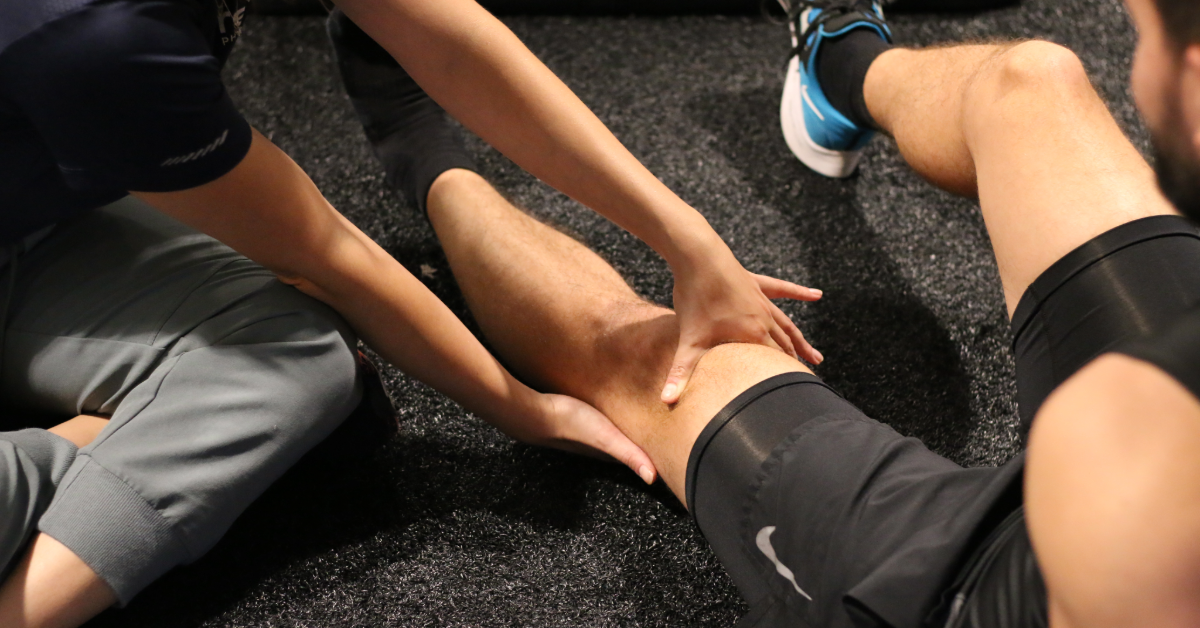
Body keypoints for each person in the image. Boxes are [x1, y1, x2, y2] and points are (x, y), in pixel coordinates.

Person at [333, 0, 1200, 627]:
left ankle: (427, 162)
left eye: (1149, 24)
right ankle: (841, 64)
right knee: (1030, 80)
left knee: (657, 362)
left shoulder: (1124, 448)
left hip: (1018, 589)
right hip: (1149, 482)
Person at [0, 0, 820, 625]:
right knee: (296, 391)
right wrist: (524, 408)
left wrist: (689, 243)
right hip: (56, 179)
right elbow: (325, 250)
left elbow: (452, 43)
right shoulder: (93, 38)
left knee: (303, 374)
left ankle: (103, 442)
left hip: (46, 222)